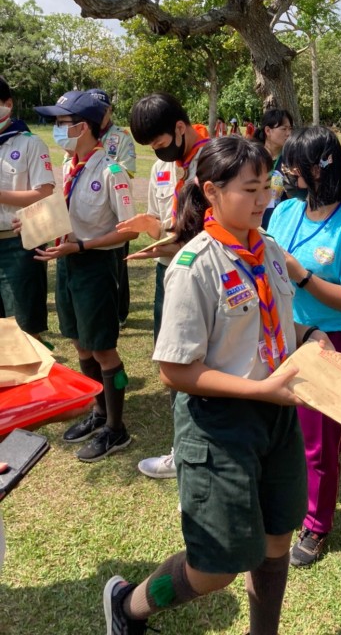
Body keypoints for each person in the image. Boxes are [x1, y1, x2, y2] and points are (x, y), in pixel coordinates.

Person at [103, 137, 332, 635]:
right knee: (215, 568)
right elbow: (175, 370)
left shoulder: (269, 250)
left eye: (267, 187)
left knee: (275, 542)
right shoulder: (194, 266)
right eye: (250, 189)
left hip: (276, 418)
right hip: (219, 426)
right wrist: (262, 391)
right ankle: (128, 606)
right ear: (211, 191)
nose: (262, 199)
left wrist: (313, 336)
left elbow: (278, 327)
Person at [267, 126, 341, 567]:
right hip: (281, 334)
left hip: (330, 343)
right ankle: (286, 499)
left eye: (295, 164)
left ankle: (315, 525)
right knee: (281, 430)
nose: (286, 172)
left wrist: (303, 276)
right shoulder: (286, 212)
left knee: (320, 443)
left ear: (321, 167)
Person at [33, 90, 138, 463]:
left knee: (104, 349)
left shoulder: (112, 171)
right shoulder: (68, 165)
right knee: (79, 342)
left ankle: (116, 427)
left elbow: (130, 231)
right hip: (67, 262)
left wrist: (81, 247)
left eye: (63, 123)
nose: (58, 129)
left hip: (96, 265)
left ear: (83, 126)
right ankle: (98, 412)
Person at [117, 93, 210, 479]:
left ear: (179, 127)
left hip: (201, 274)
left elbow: (209, 231)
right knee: (172, 358)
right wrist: (155, 230)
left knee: (197, 364)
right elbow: (173, 222)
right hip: (167, 269)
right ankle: (185, 449)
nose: (159, 153)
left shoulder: (212, 161)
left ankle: (195, 456)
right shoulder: (168, 164)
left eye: (160, 143)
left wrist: (170, 237)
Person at [0, 75, 55, 340]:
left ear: (7, 104)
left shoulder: (30, 143)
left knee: (25, 329)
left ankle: (37, 378)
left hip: (18, 244)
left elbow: (44, 193)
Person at [87, 89, 137, 327]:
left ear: (109, 111)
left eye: (102, 110)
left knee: (118, 264)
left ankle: (119, 312)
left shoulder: (121, 136)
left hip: (115, 207)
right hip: (88, 207)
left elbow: (126, 171)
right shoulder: (81, 132)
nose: (98, 115)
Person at [253, 108, 294, 230]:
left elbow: (295, 199)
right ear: (268, 131)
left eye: (290, 129)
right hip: (253, 223)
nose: (288, 133)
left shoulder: (291, 160)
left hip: (280, 226)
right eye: (283, 129)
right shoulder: (252, 157)